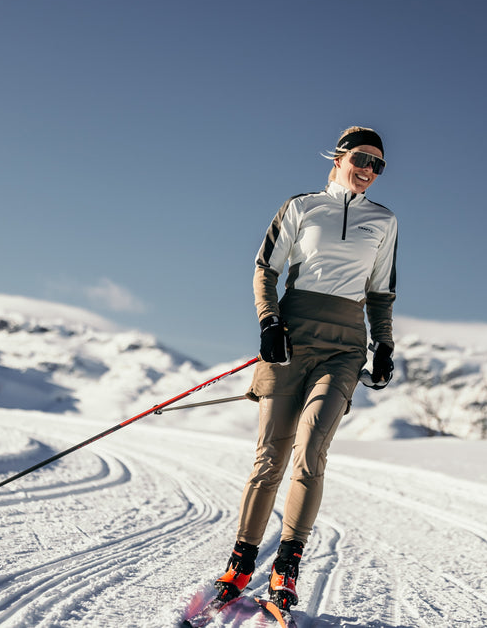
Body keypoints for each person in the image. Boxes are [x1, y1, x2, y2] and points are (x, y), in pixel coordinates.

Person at [212, 126, 398, 612]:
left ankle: (286, 570)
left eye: (379, 165)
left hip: (344, 348)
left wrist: (384, 345)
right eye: (362, 158)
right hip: (292, 340)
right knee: (270, 456)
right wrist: (270, 322)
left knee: (312, 448)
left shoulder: (384, 221)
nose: (369, 170)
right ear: (339, 157)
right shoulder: (301, 207)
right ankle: (239, 563)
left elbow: (380, 291)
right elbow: (265, 268)